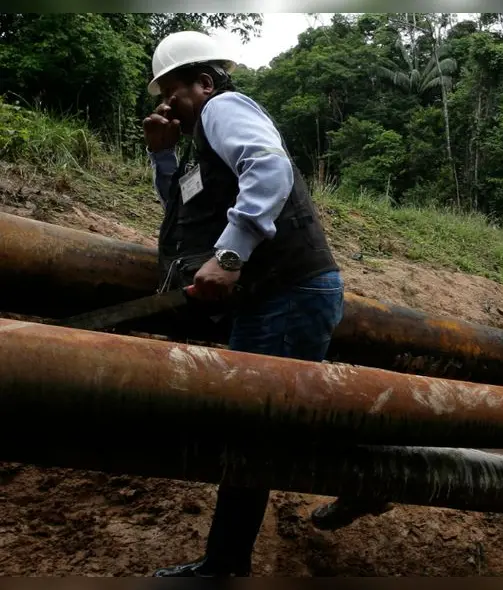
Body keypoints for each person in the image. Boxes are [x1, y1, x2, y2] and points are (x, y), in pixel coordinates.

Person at [141, 30, 348, 577]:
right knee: (275, 422)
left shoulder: (225, 108)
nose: (166, 107)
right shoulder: (200, 144)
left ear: (203, 82)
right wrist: (163, 156)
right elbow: (186, 213)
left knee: (252, 430)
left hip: (285, 290)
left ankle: (224, 565)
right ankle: (367, 478)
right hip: (274, 297)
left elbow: (269, 166)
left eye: (172, 95)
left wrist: (230, 258)